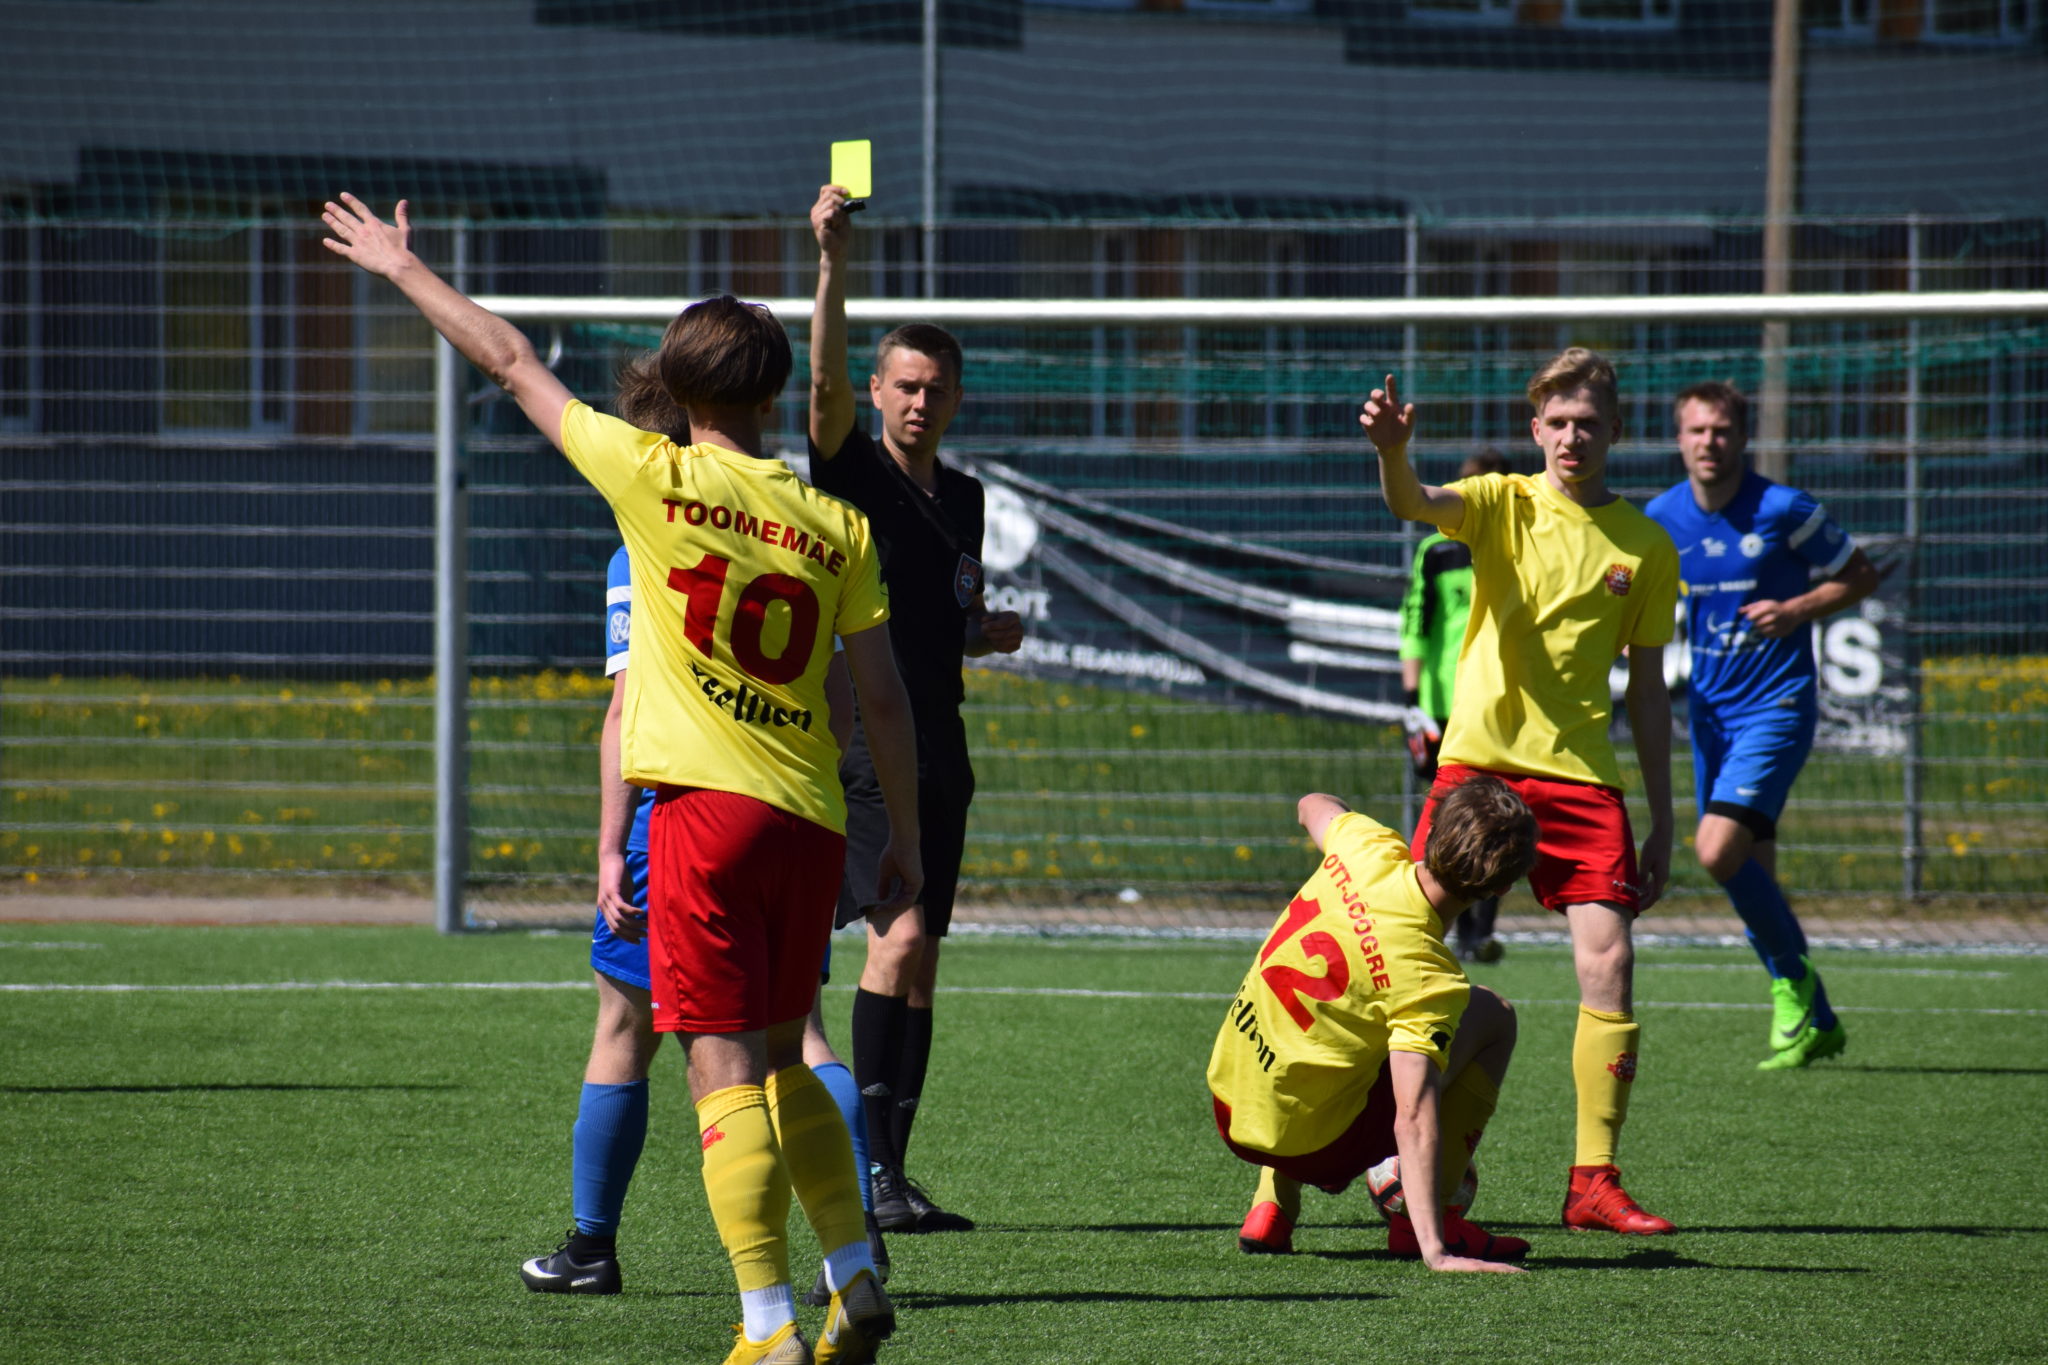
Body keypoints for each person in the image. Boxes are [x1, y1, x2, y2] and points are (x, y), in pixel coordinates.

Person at [323, 193, 917, 1365]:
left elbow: (508, 360)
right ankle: (851, 1272)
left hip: (701, 816)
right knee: (791, 1051)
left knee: (720, 1071)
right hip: (808, 819)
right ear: (768, 393)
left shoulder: (648, 474)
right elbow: (882, 701)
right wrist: (897, 835)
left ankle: (766, 1324)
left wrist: (402, 269)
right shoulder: (834, 524)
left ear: (678, 389)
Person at [518, 360, 890, 1300]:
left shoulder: (652, 532)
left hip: (682, 815)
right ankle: (852, 1244)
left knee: (628, 1025)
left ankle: (607, 1249)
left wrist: (610, 846)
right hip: (795, 809)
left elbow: (624, 711)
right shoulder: (811, 530)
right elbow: (848, 697)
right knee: (800, 1038)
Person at [1360, 349, 1683, 1236]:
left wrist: (1662, 818)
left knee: (1610, 961)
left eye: (1589, 422)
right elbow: (1415, 503)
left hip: (1583, 779)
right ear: (1535, 429)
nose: (1573, 436)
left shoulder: (1648, 545)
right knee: (1399, 952)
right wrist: (1393, 451)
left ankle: (1593, 1181)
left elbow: (1649, 693)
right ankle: (1323, 1162)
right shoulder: (1502, 501)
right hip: (1478, 767)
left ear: (1615, 431)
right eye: (1559, 421)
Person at [807, 184, 1024, 1235]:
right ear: (876, 389)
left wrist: (983, 632)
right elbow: (817, 388)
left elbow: (944, 616)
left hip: (942, 745)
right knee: (891, 945)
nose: (918, 403)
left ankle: (894, 1171)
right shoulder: (851, 471)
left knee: (924, 960)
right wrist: (832, 262)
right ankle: (866, 1172)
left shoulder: (965, 497)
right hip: (866, 744)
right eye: (903, 385)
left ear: (955, 397)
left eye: (935, 388)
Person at [1211, 779, 1538, 1273]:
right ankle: (1428, 1221)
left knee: (1338, 1029)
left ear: (1430, 830)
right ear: (1501, 888)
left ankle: (1271, 1205)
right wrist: (1436, 1254)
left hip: (1230, 1099)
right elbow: (1413, 1117)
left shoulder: (1366, 846)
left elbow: (1311, 804)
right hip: (1314, 1149)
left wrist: (1348, 826)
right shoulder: (1430, 978)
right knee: (1492, 1015)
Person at [1645, 382, 1877, 1070]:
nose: (1709, 442)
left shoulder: (1783, 508)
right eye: (1696, 430)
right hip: (1710, 716)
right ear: (1679, 439)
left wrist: (1796, 608)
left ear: (1742, 437)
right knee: (1753, 878)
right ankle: (1817, 1019)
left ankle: (1795, 986)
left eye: (1721, 430)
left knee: (1716, 850)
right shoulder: (1661, 518)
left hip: (1776, 705)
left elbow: (1860, 575)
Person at [1398, 447, 1513, 963]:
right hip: (1444, 706)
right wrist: (1412, 701)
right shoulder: (1436, 551)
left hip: (1500, 705)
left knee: (1501, 815)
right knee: (1450, 820)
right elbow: (1415, 625)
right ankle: (1447, 929)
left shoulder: (1520, 545)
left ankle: (1479, 934)